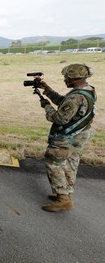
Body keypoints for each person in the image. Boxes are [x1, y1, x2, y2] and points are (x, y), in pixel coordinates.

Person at [35, 64, 96, 212]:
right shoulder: (88, 91)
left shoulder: (76, 97)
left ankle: (62, 198)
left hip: (67, 137)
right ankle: (66, 194)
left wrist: (46, 105)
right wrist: (47, 90)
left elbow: (59, 118)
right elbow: (64, 102)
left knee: (54, 162)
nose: (64, 80)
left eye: (66, 77)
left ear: (74, 78)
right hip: (78, 136)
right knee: (70, 164)